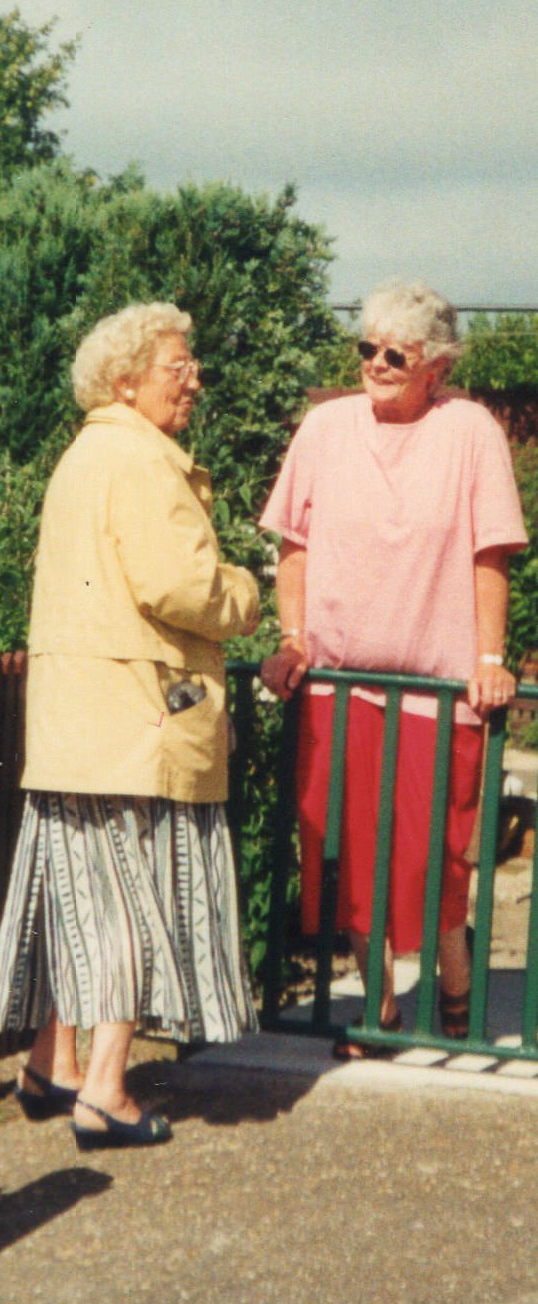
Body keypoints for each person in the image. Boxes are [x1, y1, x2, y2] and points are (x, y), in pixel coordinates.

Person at [0, 303, 261, 1148]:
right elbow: (184, 587)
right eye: (179, 366)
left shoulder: (84, 454)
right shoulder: (141, 460)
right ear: (127, 380)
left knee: (80, 895)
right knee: (135, 904)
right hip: (136, 724)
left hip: (78, 722)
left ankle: (49, 1064)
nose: (194, 380)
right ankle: (105, 1090)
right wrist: (248, 592)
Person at [258, 281, 527, 1055]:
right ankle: (377, 1004)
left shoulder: (470, 430)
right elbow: (294, 548)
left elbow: (490, 553)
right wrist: (293, 639)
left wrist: (488, 658)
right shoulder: (325, 427)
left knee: (436, 853)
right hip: (342, 686)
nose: (374, 363)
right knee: (346, 854)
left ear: (437, 366)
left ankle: (453, 976)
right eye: (365, 348)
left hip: (437, 692)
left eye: (394, 354)